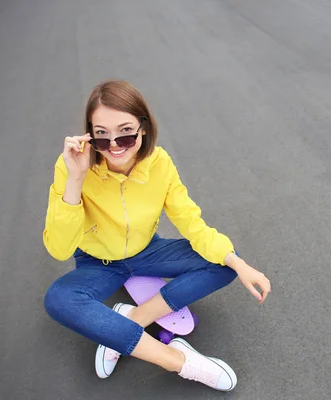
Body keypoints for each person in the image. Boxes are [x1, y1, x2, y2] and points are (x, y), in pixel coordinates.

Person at [42, 80, 271, 391]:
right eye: (101, 135)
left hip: (146, 251)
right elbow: (59, 248)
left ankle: (132, 319)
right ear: (89, 134)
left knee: (226, 262)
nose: (114, 146)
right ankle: (178, 360)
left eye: (125, 131)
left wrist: (238, 263)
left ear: (144, 127)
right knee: (60, 299)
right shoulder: (73, 165)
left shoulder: (159, 163)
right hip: (98, 261)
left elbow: (191, 221)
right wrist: (76, 178)